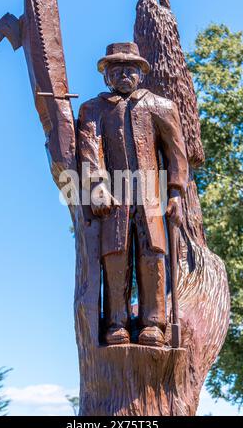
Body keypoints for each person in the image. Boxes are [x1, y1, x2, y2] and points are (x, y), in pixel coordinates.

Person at [77, 43, 188, 347]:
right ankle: (117, 322)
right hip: (115, 198)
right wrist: (97, 185)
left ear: (140, 73)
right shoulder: (93, 109)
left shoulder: (161, 106)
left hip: (151, 196)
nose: (124, 75)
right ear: (106, 76)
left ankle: (154, 323)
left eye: (130, 69)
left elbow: (176, 155)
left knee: (153, 255)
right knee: (115, 257)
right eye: (117, 70)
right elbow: (89, 148)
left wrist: (176, 193)